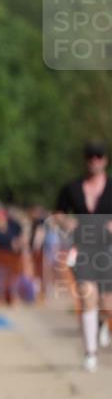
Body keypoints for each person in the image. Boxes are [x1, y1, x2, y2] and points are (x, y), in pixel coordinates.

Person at [54, 141, 112, 371]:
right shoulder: (72, 188)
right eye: (90, 155)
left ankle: (103, 324)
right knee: (87, 297)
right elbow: (57, 213)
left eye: (98, 156)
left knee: (108, 304)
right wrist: (66, 221)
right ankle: (90, 353)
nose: (94, 160)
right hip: (84, 249)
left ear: (105, 160)